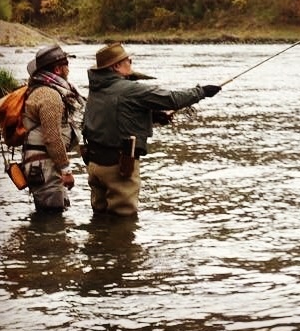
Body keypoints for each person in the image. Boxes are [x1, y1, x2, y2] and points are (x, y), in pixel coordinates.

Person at [82, 42, 221, 216]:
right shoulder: (130, 89)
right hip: (118, 168)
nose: (131, 64)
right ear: (116, 66)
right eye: (129, 61)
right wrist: (202, 92)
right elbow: (172, 99)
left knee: (100, 217)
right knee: (123, 221)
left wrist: (154, 116)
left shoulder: (97, 89)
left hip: (95, 164)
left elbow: (115, 115)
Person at [22, 44, 83, 213]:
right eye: (66, 65)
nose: (68, 70)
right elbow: (52, 137)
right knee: (52, 218)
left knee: (54, 214)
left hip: (42, 163)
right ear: (57, 69)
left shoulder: (40, 89)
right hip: (44, 165)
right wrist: (66, 170)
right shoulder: (50, 96)